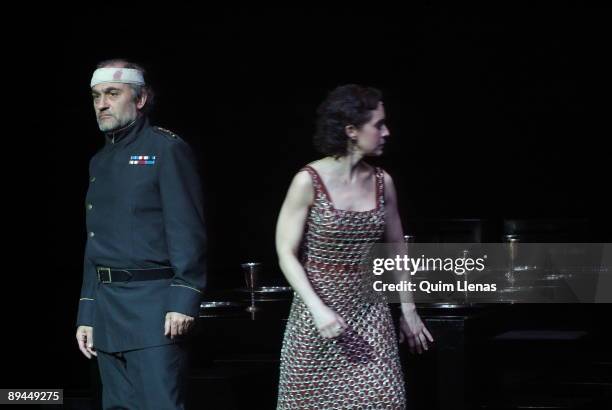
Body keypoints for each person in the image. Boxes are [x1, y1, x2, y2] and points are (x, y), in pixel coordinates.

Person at [275, 84, 433, 409]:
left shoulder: (381, 182)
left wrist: (408, 310)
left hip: (369, 313)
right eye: (378, 124)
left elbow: (397, 251)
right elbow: (285, 253)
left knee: (383, 400)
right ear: (351, 130)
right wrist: (318, 310)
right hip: (316, 315)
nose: (386, 132)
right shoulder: (309, 180)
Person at [75, 59, 207, 410]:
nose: (102, 104)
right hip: (107, 311)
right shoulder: (99, 162)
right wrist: (87, 313)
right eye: (96, 96)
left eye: (112, 93)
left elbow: (187, 229)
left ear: (141, 98)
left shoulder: (166, 149)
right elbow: (96, 241)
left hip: (154, 311)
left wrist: (184, 298)